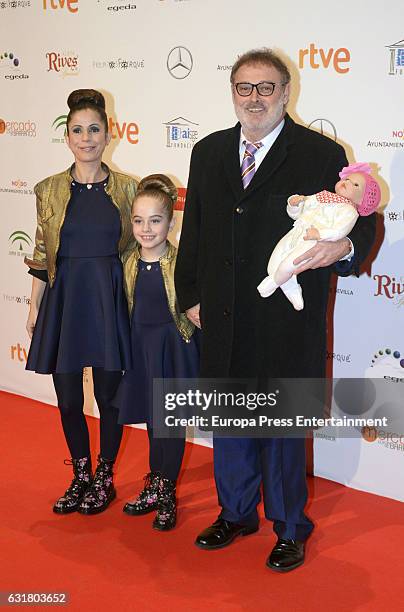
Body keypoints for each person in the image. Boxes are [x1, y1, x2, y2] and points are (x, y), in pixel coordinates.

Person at [175, 49, 376, 572]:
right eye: (245, 87)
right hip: (221, 315)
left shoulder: (319, 152)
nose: (255, 98)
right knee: (231, 423)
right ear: (233, 92)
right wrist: (190, 295)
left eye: (266, 88)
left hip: (287, 318)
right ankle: (236, 513)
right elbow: (193, 228)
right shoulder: (208, 151)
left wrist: (345, 249)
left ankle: (289, 526)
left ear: (287, 93)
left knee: (284, 429)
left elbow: (363, 221)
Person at [25, 89, 137, 515]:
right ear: (66, 137)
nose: (86, 138)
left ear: (109, 134)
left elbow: (138, 247)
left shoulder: (129, 188)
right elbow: (42, 250)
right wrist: (35, 305)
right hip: (64, 300)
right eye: (77, 130)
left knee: (109, 398)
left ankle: (104, 478)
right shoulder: (48, 189)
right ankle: (80, 476)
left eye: (94, 129)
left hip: (110, 299)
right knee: (69, 400)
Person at [113, 174, 199, 531]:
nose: (146, 229)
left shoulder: (182, 264)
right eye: (138, 220)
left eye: (155, 220)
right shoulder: (126, 261)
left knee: (171, 424)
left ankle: (167, 492)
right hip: (141, 349)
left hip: (174, 349)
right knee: (152, 421)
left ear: (171, 222)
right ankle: (155, 482)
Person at [257, 162, 381, 309]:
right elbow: (300, 212)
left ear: (362, 200)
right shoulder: (323, 196)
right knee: (274, 265)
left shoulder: (349, 210)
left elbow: (341, 230)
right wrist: (294, 204)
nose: (347, 182)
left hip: (312, 241)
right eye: (347, 179)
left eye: (355, 185)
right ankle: (290, 287)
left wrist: (322, 235)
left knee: (289, 264)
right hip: (296, 232)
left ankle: (273, 283)